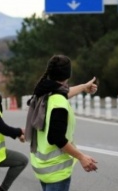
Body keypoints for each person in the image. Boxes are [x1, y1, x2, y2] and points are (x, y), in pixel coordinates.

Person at [26, 54, 98, 191]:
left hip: (42, 165)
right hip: (56, 169)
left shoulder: (44, 93)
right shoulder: (58, 102)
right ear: (68, 74)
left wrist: (84, 87)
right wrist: (81, 157)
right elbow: (56, 138)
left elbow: (65, 92)